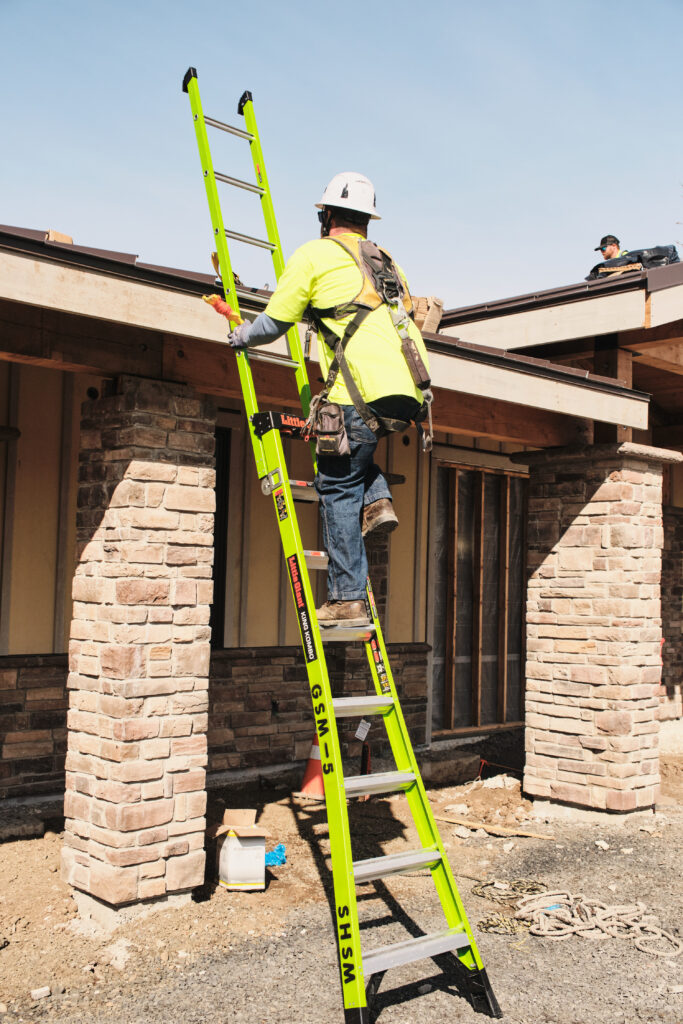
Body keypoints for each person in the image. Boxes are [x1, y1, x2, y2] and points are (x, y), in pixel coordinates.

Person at [227, 172, 431, 627]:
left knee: (336, 485)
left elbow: (274, 322)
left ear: (325, 214)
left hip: (358, 395)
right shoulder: (386, 261)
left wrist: (239, 335)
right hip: (408, 393)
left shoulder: (315, 255)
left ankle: (346, 599)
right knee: (356, 458)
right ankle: (376, 499)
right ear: (367, 220)